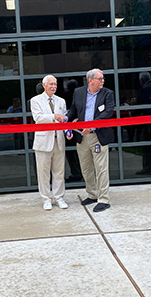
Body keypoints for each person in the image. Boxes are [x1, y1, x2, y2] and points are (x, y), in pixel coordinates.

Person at [66, 69, 115, 212]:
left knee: (101, 168)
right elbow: (73, 110)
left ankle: (103, 199)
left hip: (98, 136)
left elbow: (108, 112)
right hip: (81, 136)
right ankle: (92, 194)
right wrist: (66, 120)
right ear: (90, 80)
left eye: (103, 79)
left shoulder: (107, 94)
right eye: (100, 79)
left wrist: (91, 125)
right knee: (86, 168)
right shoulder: (79, 92)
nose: (102, 81)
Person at [30, 75, 69, 210]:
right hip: (43, 142)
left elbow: (64, 120)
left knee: (59, 172)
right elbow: (38, 118)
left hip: (58, 142)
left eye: (55, 84)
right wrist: (54, 117)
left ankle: (59, 198)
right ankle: (46, 199)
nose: (53, 87)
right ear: (44, 85)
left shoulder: (61, 101)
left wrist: (68, 131)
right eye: (51, 84)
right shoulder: (36, 100)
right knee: (43, 172)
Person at [63, 79, 82, 182]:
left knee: (71, 153)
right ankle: (81, 172)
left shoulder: (66, 96)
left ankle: (76, 173)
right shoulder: (81, 95)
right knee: (81, 151)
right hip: (80, 127)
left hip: (70, 127)